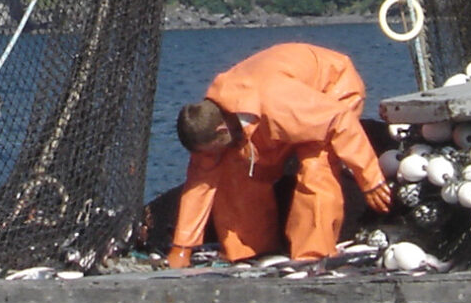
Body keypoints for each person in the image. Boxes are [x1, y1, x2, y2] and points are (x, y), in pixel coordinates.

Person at [166, 43, 390, 267]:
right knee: (235, 169)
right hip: (277, 113)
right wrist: (182, 248)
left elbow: (339, 119)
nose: (211, 157)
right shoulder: (210, 119)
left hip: (330, 92)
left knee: (316, 166)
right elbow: (200, 181)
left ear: (222, 130)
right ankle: (248, 252)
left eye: (211, 151)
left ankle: (313, 255)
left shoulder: (277, 104)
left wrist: (370, 180)